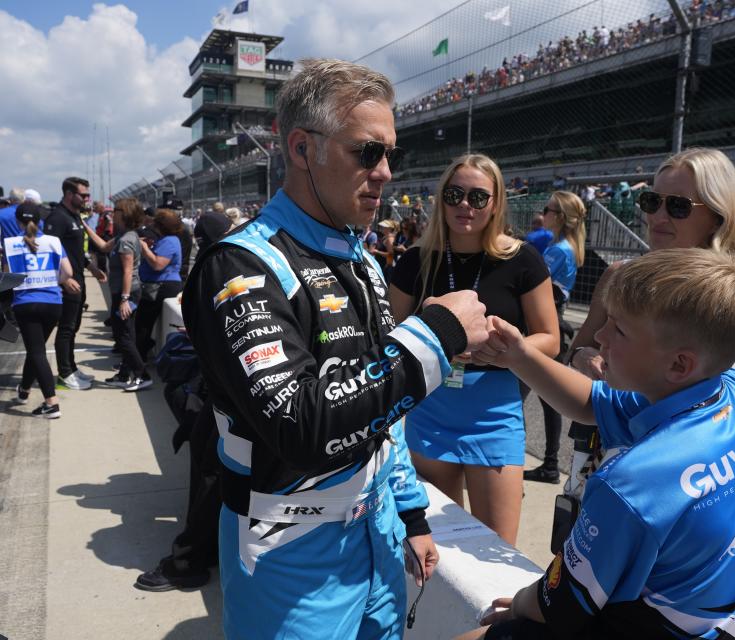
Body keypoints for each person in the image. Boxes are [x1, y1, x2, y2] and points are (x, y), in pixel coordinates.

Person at [180, 58, 489, 639]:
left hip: (375, 533)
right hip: (286, 552)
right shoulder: (241, 265)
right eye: (367, 153)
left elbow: (382, 411)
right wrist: (437, 335)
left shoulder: (362, 260)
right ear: (302, 149)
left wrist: (411, 511)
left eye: (391, 154)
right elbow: (305, 427)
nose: (386, 173)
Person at [459, 249, 735, 639]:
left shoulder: (630, 485)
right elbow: (591, 402)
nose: (600, 337)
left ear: (679, 365)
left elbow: (559, 604)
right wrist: (519, 356)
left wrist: (525, 600)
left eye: (620, 329)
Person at [389, 153, 559, 545]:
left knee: (497, 551)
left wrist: (505, 353)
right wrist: (436, 342)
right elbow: (391, 332)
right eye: (455, 194)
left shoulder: (522, 260)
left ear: (496, 203)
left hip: (493, 412)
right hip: (431, 406)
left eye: (478, 197)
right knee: (440, 549)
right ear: (441, 198)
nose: (465, 205)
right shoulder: (416, 259)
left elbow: (550, 338)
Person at [569, 148, 735, 436]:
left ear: (718, 216)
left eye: (677, 206)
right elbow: (574, 351)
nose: (658, 217)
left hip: (695, 469)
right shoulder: (619, 275)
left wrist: (676, 418)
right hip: (605, 454)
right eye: (651, 202)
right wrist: (583, 358)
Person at [526, 191, 586, 484]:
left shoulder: (559, 250)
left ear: (560, 216)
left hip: (545, 329)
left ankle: (546, 465)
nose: (543, 213)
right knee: (545, 400)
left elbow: (535, 290)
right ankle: (549, 464)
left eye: (548, 209)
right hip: (552, 327)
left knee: (519, 400)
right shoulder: (562, 246)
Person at [4, 202, 73, 418]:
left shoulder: (10, 244)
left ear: (17, 221)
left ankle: (51, 403)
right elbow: (68, 272)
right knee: (37, 350)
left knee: (36, 351)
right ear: (40, 219)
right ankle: (24, 390)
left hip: (26, 303)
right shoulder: (53, 241)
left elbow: (8, 278)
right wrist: (53, 282)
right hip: (53, 303)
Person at [44, 177, 106, 390]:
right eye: (84, 195)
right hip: (67, 283)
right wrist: (64, 279)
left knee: (74, 326)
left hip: (79, 279)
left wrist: (92, 268)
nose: (87, 198)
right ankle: (64, 373)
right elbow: (49, 251)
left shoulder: (75, 216)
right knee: (66, 328)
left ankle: (71, 367)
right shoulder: (58, 217)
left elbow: (76, 250)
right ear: (70, 194)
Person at [83, 198, 152, 391]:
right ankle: (124, 374)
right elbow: (104, 247)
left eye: (116, 210)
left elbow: (128, 271)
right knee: (125, 334)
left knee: (123, 336)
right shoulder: (125, 236)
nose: (113, 213)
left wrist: (124, 299)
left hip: (126, 293)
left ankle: (142, 374)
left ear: (125, 214)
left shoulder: (127, 240)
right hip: (125, 292)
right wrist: (85, 227)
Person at [135, 209, 184, 360]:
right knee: (143, 323)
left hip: (161, 286)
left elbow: (158, 264)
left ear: (160, 225)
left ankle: (139, 359)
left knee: (142, 324)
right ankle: (142, 352)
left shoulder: (169, 241)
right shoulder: (167, 240)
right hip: (161, 284)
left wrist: (144, 249)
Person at [371, 218, 399, 282]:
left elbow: (391, 254)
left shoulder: (390, 239)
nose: (382, 227)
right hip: (381, 265)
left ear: (389, 228)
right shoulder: (385, 237)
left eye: (384, 226)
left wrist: (377, 252)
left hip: (385, 267)